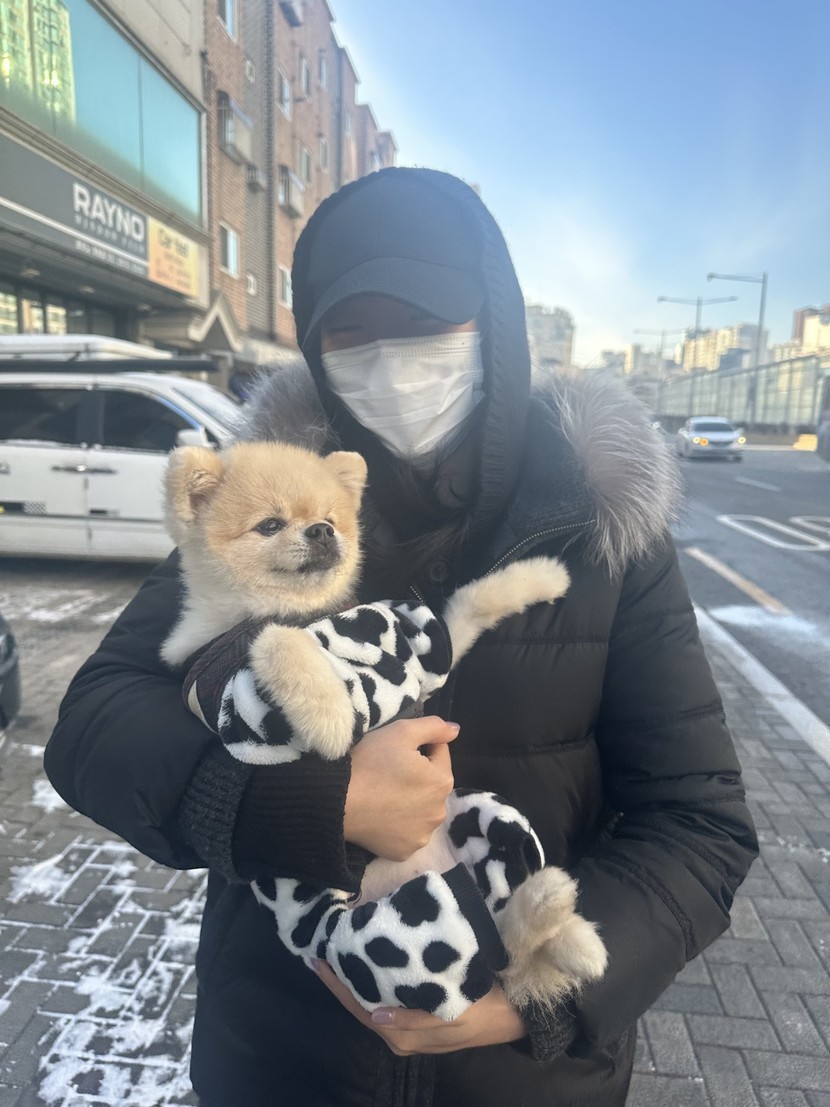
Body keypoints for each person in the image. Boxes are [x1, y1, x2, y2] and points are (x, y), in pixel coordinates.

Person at [44, 167, 758, 1107]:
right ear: (314, 344)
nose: (388, 358)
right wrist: (294, 804)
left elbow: (700, 822)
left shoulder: (603, 531)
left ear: (492, 323)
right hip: (282, 1062)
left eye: (424, 321)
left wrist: (535, 1001)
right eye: (350, 330)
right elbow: (95, 722)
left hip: (528, 1085)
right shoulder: (270, 500)